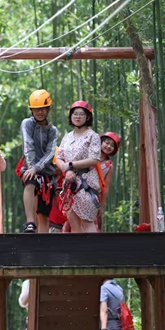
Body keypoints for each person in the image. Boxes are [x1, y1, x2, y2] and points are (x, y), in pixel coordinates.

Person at [54, 101, 102, 233]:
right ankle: (77, 253)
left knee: (87, 222)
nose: (78, 117)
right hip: (69, 183)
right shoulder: (67, 137)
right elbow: (59, 157)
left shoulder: (93, 136)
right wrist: (66, 170)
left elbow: (94, 159)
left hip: (86, 182)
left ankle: (91, 252)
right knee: (73, 223)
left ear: (88, 117)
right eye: (75, 114)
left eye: (82, 114)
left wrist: (70, 165)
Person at [18, 89, 59, 233]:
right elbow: (28, 146)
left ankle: (43, 244)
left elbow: (50, 153)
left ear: (48, 109)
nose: (39, 112)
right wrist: (32, 169)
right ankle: (30, 223)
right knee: (30, 183)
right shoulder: (27, 124)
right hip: (29, 168)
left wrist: (37, 168)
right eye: (36, 109)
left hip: (48, 173)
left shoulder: (53, 130)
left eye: (42, 109)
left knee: (43, 214)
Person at [96, 132, 120, 231]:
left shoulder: (109, 165)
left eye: (112, 145)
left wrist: (102, 205)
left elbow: (106, 186)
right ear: (101, 142)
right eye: (107, 142)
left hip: (95, 196)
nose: (109, 146)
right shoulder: (89, 155)